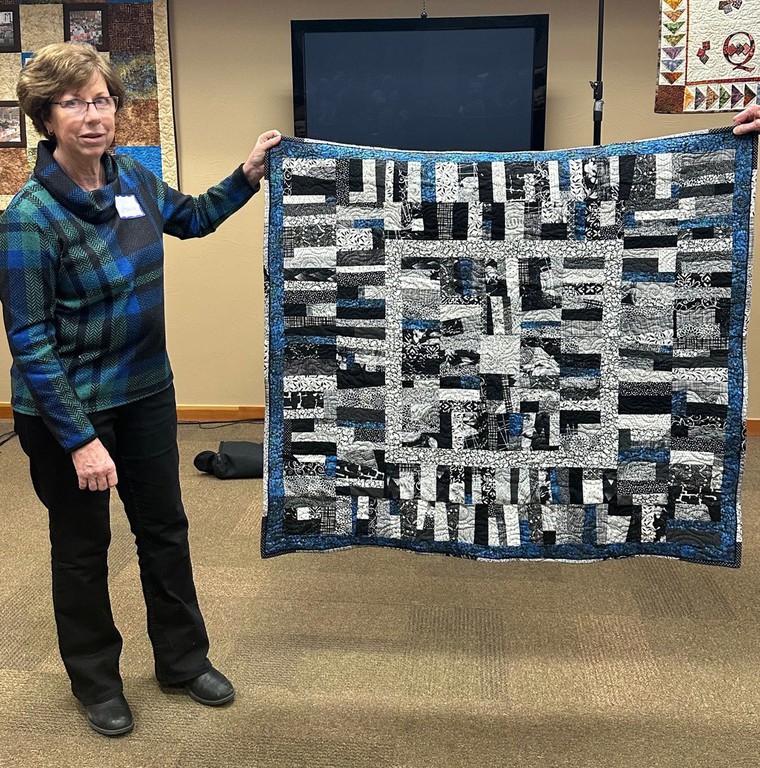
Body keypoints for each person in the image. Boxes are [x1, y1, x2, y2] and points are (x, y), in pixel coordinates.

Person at [0, 41, 280, 737]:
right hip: (67, 410)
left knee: (164, 530)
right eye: (73, 103)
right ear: (45, 117)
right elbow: (30, 342)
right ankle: (96, 681)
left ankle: (183, 662)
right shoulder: (29, 217)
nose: (92, 115)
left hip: (146, 390)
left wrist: (247, 174)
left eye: (101, 100)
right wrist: (80, 440)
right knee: (82, 547)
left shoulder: (132, 179)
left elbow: (193, 217)